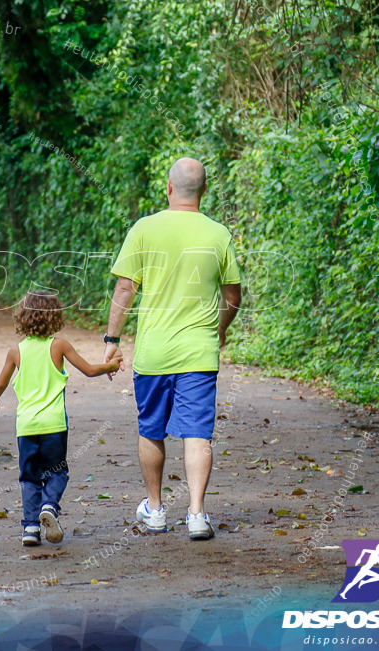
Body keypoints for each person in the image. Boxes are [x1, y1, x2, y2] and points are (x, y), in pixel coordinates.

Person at [103, 157, 241, 540]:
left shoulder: (144, 229)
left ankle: (157, 510)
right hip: (199, 352)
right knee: (198, 432)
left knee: (151, 430)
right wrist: (220, 328)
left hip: (154, 353)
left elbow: (125, 289)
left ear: (168, 188)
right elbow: (233, 295)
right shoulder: (219, 234)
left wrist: (111, 342)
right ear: (205, 192)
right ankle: (197, 514)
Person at [0, 291, 122, 547]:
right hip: (54, 426)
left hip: (26, 427)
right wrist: (110, 367)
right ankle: (49, 505)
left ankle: (31, 528)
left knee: (29, 477)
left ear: (22, 318)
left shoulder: (16, 351)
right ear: (55, 317)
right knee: (57, 472)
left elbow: (1, 382)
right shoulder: (59, 345)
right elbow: (89, 370)